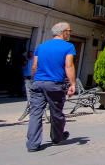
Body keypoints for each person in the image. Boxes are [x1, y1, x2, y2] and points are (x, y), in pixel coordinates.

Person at [25, 22, 76, 152]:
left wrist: (33, 80)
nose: (70, 33)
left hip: (38, 83)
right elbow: (68, 65)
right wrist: (73, 84)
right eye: (69, 31)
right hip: (55, 84)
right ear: (64, 32)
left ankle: (32, 144)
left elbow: (34, 66)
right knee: (56, 113)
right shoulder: (68, 47)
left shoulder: (41, 47)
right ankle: (57, 137)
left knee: (35, 114)